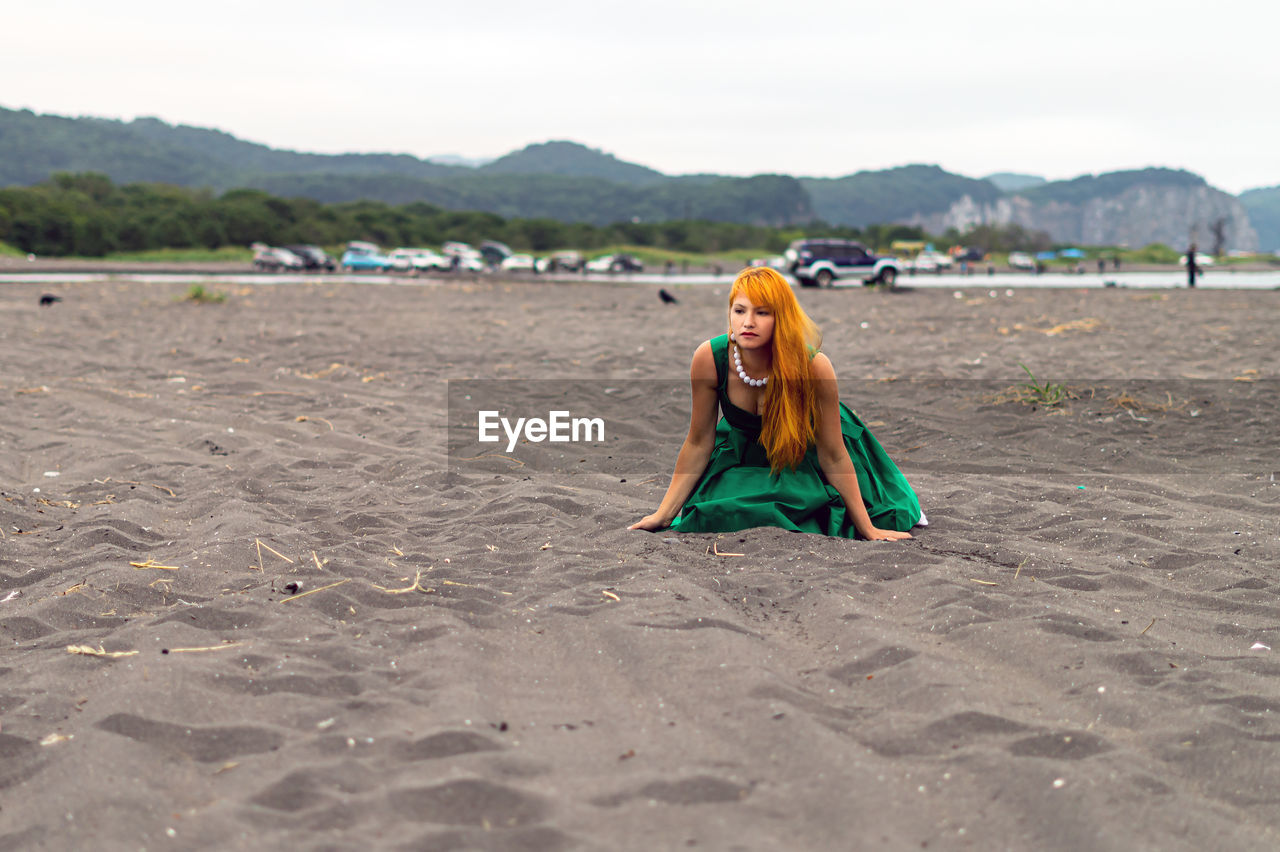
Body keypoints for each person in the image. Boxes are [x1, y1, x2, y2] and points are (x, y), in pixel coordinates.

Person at [630, 267, 922, 540]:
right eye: (739, 310)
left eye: (762, 313)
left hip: (806, 452)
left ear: (781, 317)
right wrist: (663, 515)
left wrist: (868, 528)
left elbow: (832, 453)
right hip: (742, 455)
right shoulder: (709, 358)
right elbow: (698, 442)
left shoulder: (814, 366)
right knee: (716, 512)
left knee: (803, 513)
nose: (748, 322)